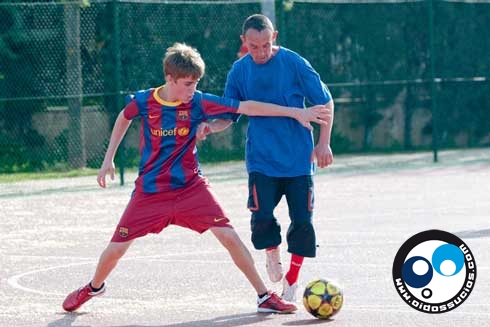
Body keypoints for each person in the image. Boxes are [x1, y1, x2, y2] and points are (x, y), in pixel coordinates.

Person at [61, 42, 330, 314]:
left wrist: (296, 112)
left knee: (229, 237)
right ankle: (94, 287)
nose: (192, 89)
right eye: (187, 84)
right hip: (151, 192)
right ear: (170, 78)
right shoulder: (144, 101)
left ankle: (264, 296)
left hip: (191, 189)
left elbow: (247, 107)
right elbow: (123, 117)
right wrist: (108, 159)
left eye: (195, 83)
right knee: (116, 248)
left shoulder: (199, 101)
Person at [198, 14, 334, 303]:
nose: (259, 52)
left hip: (298, 160)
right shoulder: (239, 71)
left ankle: (293, 281)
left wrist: (324, 143)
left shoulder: (294, 63)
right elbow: (229, 116)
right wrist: (210, 126)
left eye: (264, 45)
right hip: (261, 160)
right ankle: (272, 254)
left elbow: (325, 101)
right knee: (261, 218)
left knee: (303, 223)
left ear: (274, 38)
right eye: (253, 46)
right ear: (243, 42)